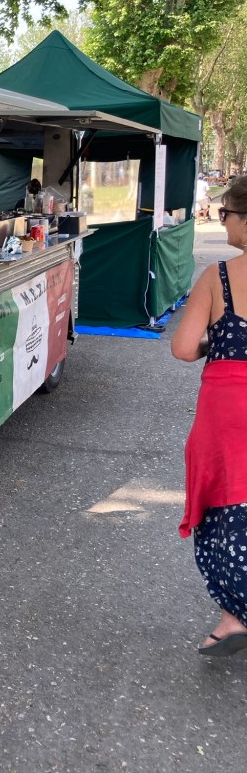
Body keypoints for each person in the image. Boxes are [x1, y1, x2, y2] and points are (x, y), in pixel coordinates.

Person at [171, 175, 247, 656]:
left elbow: (182, 348)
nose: (223, 223)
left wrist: (213, 345)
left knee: (227, 507)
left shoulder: (218, 277)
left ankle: (233, 616)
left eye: (226, 215)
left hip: (228, 410)